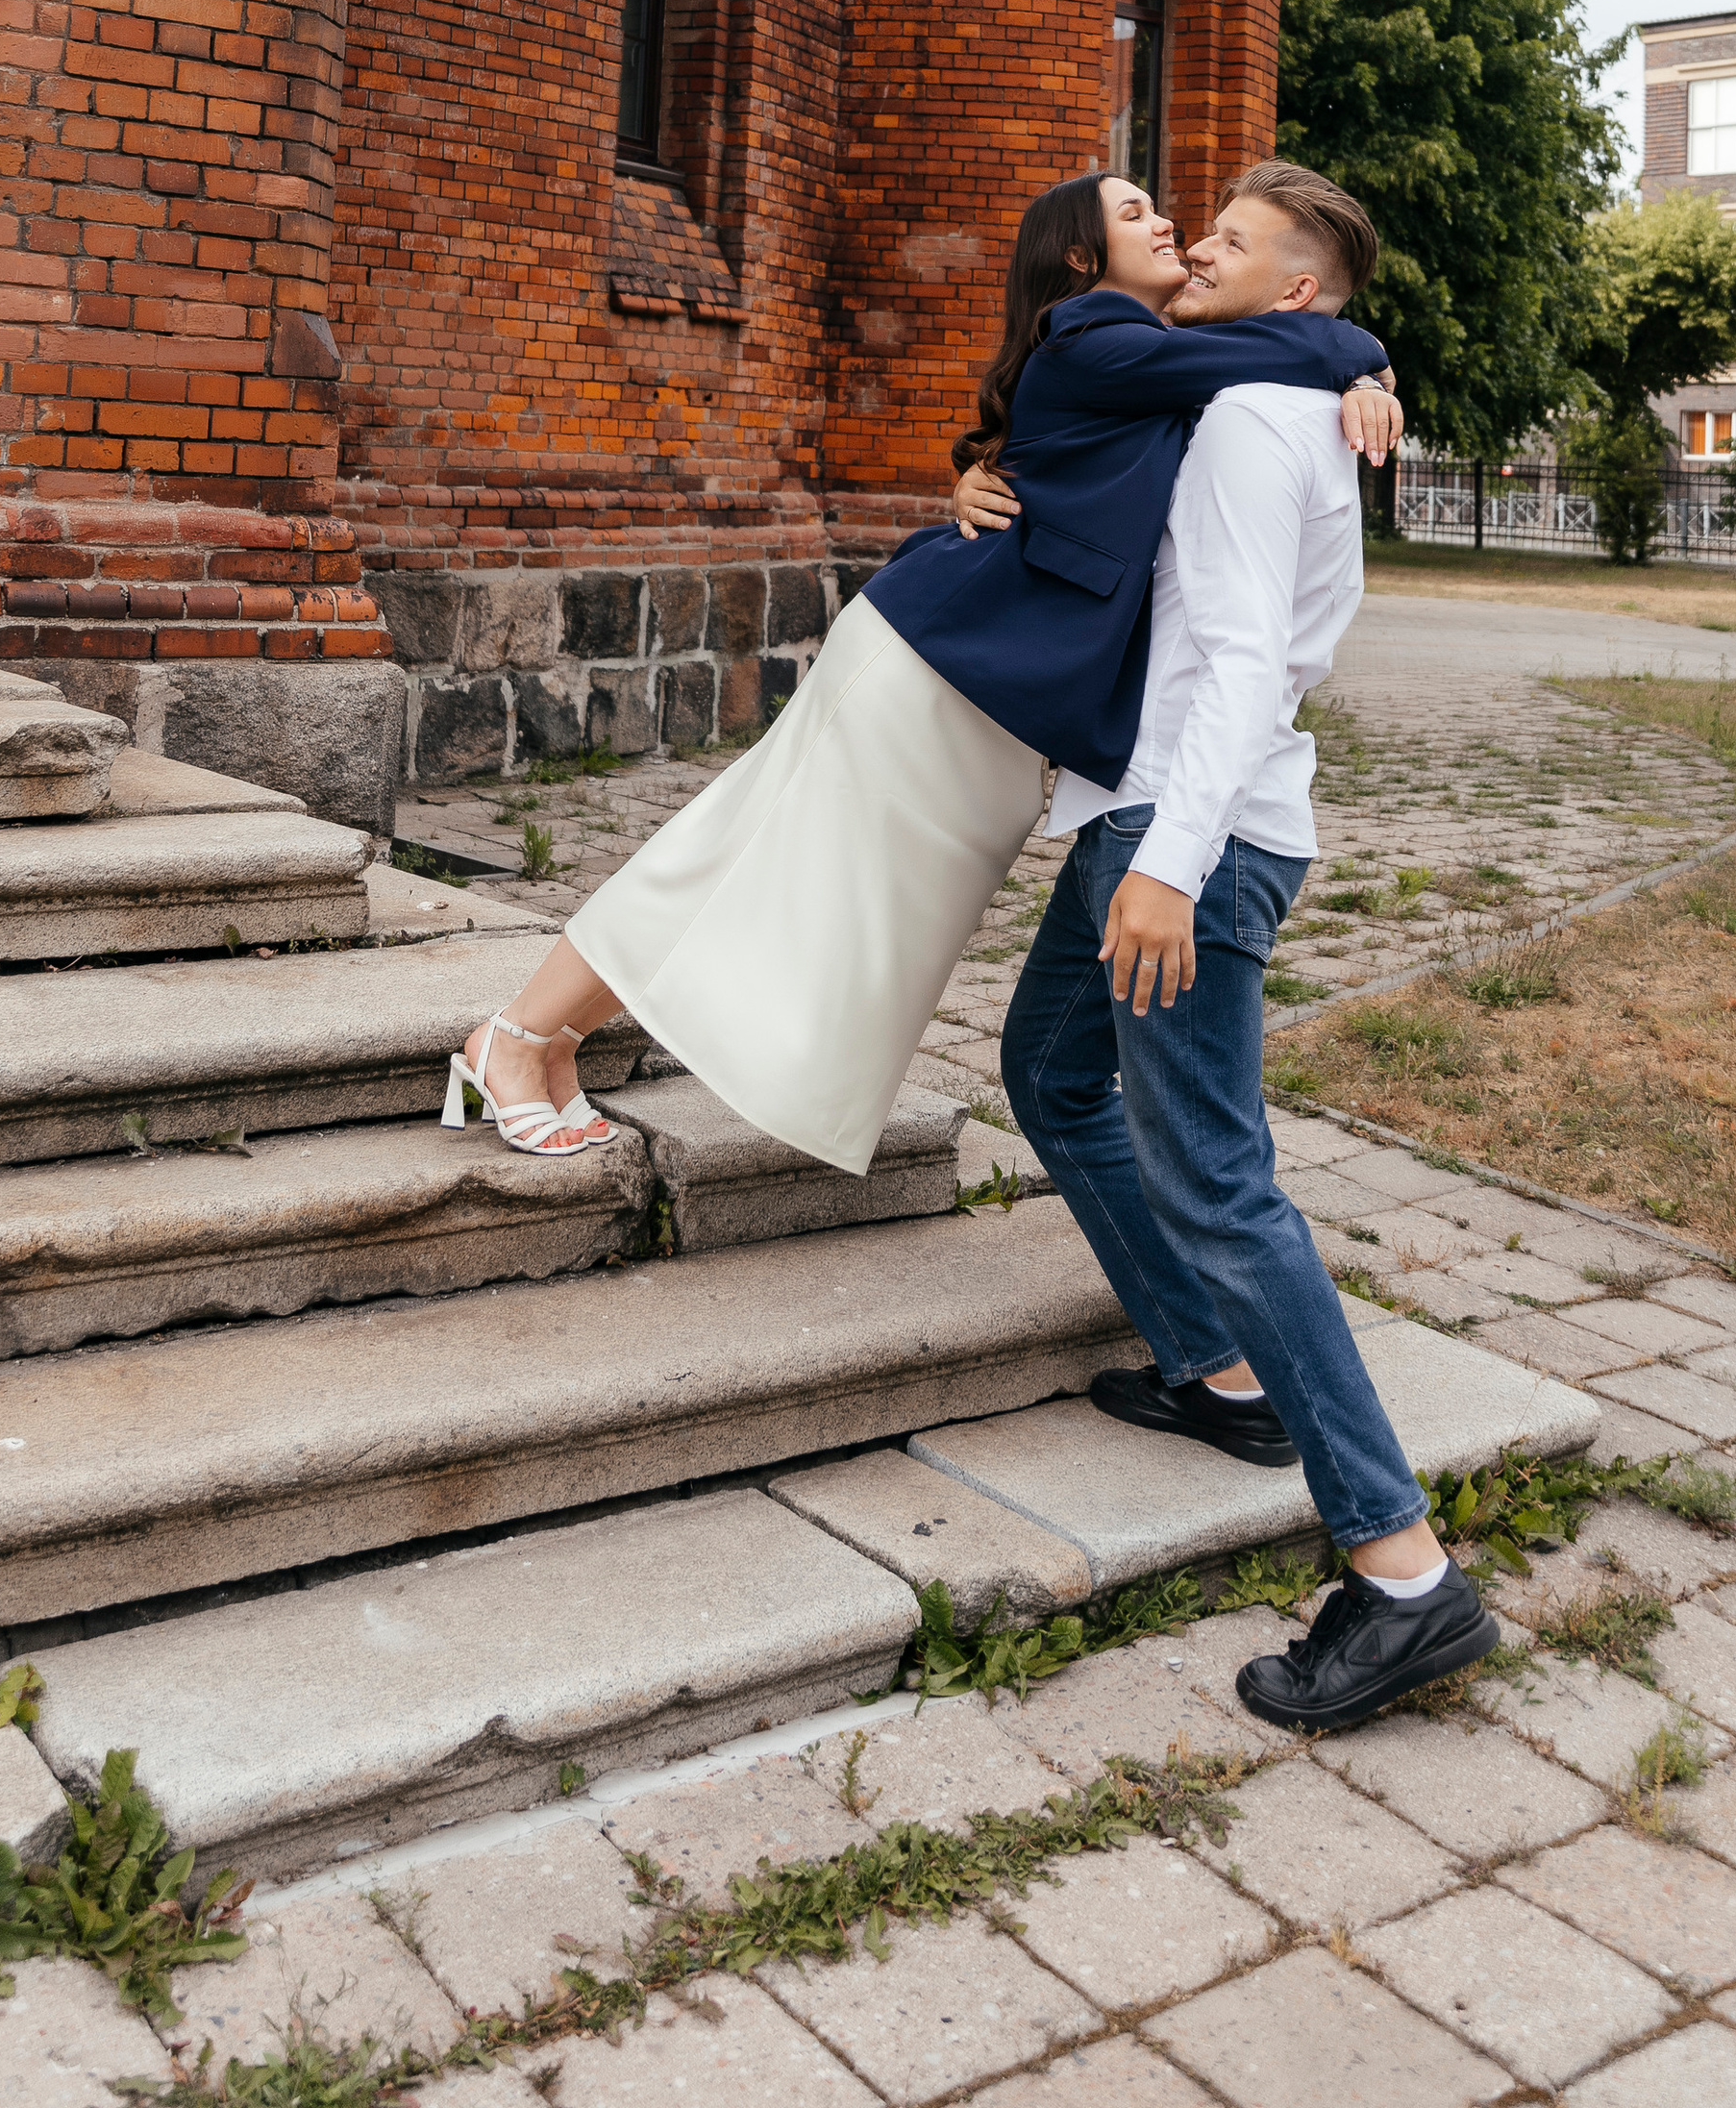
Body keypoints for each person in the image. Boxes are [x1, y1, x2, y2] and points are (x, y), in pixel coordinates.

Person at [439, 169, 1400, 1166]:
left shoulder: (1169, 362)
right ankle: (512, 1041)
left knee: (751, 865)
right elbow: (1293, 339)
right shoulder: (1097, 333)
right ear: (1078, 258)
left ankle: (546, 1040)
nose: (1176, 230)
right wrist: (1363, 362)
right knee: (732, 855)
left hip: (986, 690)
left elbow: (1245, 369)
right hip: (933, 665)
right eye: (1135, 214)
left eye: (1183, 223)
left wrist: (1355, 380)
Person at [958, 159, 1499, 1729]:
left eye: (1239, 244)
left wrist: (1171, 872)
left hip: (1192, 837)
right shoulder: (1254, 393)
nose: (1202, 249)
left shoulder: (1259, 422)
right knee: (1051, 1071)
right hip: (1141, 816)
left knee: (1218, 1175)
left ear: (1299, 293)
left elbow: (1252, 657)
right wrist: (973, 485)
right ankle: (1215, 1369)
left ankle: (1402, 1574)